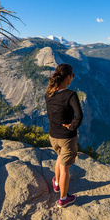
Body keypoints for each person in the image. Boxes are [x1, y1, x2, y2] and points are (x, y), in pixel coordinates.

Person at [45, 63, 83, 208]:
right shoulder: (70, 95)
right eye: (72, 76)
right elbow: (79, 115)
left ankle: (56, 183)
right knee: (65, 168)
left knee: (60, 157)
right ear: (68, 77)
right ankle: (63, 198)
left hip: (53, 135)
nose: (72, 79)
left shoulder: (49, 93)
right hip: (67, 137)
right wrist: (71, 127)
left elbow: (50, 114)